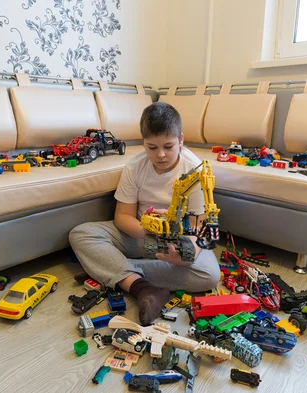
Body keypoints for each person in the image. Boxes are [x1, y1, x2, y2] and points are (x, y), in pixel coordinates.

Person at [69, 102, 220, 325]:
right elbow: (122, 216)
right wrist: (148, 230)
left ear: (181, 140)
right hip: (141, 234)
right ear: (143, 143)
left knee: (209, 275)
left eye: (168, 146)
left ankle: (113, 271)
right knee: (80, 234)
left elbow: (199, 227)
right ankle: (137, 284)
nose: (160, 155)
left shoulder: (196, 171)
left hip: (180, 238)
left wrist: (188, 254)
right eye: (152, 147)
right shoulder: (134, 167)